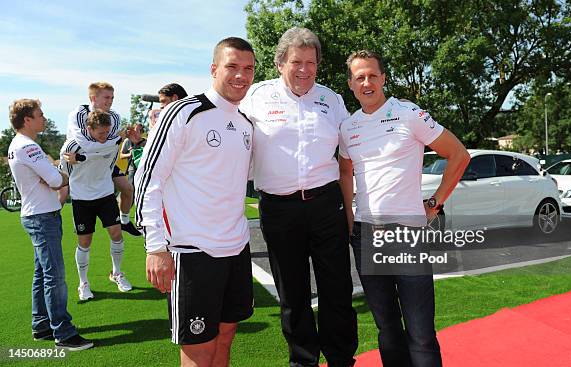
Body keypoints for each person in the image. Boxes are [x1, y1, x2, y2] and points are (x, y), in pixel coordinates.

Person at [338, 50, 470, 367]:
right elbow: (345, 172)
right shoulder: (348, 127)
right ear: (351, 85)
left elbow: (459, 155)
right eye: (359, 77)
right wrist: (349, 217)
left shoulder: (408, 113)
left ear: (383, 78)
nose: (366, 82)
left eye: (372, 75)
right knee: (387, 330)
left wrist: (434, 204)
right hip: (366, 237)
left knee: (421, 332)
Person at [134, 37, 255, 367]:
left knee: (227, 335)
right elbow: (147, 179)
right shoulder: (184, 112)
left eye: (248, 69)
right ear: (214, 69)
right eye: (232, 67)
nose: (241, 75)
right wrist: (156, 247)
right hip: (193, 251)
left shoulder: (246, 123)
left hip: (237, 247)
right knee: (199, 349)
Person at [240, 27, 358, 367]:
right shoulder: (256, 96)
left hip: (326, 204)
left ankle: (340, 358)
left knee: (337, 289)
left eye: (311, 62)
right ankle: (303, 360)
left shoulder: (331, 99)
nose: (304, 69)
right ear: (280, 63)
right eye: (296, 62)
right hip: (279, 208)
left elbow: (350, 153)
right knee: (292, 294)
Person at [8, 99, 93, 351]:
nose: (44, 118)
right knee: (54, 276)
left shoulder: (19, 145)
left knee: (43, 274)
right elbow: (57, 180)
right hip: (43, 217)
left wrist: (53, 170)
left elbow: (51, 177)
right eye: (40, 114)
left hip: (37, 215)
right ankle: (63, 333)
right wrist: (59, 172)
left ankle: (42, 325)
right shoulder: (29, 148)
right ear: (27, 120)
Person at [60, 110, 133, 300]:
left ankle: (116, 272)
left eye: (107, 132)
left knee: (116, 233)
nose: (104, 137)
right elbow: (65, 173)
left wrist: (83, 159)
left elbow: (107, 154)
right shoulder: (71, 145)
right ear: (88, 128)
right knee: (85, 242)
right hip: (81, 199)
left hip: (105, 194)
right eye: (100, 133)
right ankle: (83, 283)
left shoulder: (113, 140)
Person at [64, 82, 141, 236]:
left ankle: (124, 221)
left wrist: (114, 141)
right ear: (93, 98)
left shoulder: (114, 116)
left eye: (112, 97)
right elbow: (85, 143)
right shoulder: (78, 114)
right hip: (79, 165)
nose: (110, 101)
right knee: (61, 190)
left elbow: (104, 145)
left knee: (128, 189)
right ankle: (51, 217)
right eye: (106, 97)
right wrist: (117, 139)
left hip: (105, 162)